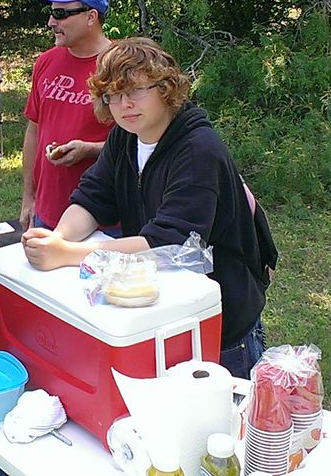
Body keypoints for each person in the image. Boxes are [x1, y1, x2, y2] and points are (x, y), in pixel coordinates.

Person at [20, 37, 271, 379]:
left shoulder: (198, 150)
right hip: (165, 312)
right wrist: (58, 238)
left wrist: (68, 254)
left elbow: (168, 244)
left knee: (225, 426)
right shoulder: (125, 136)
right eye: (113, 95)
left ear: (166, 88)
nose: (124, 105)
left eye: (135, 91)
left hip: (222, 323)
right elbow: (92, 197)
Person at [21, 0, 114, 231]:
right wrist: (29, 198)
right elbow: (34, 131)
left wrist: (91, 149)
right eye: (51, 13)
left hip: (104, 217)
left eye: (61, 13)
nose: (52, 22)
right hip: (46, 212)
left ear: (91, 17)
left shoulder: (120, 66)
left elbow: (143, 142)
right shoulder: (46, 62)